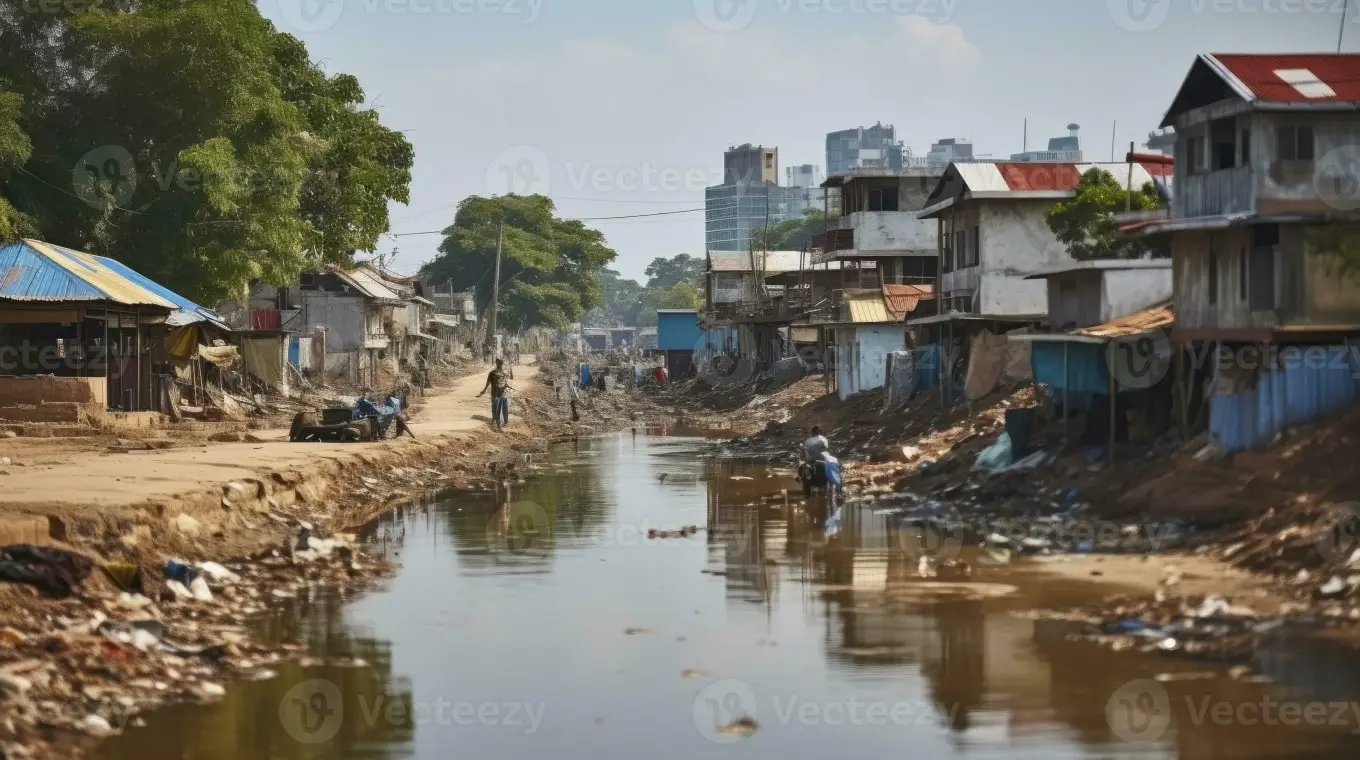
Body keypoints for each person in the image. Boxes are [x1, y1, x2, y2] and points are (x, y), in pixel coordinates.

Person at [478, 358, 512, 430]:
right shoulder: (492, 373)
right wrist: (484, 390)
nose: (500, 364)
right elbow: (488, 382)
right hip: (495, 393)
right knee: (495, 408)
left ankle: (504, 422)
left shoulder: (504, 373)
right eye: (499, 362)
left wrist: (509, 386)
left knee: (504, 408)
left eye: (501, 363)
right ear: (496, 363)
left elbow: (508, 381)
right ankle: (495, 421)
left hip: (503, 393)